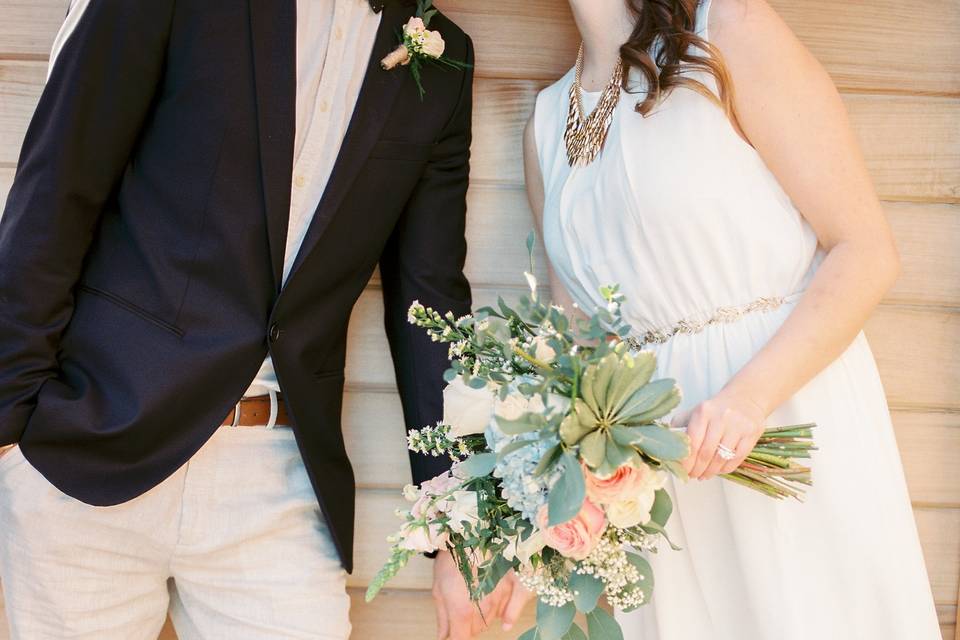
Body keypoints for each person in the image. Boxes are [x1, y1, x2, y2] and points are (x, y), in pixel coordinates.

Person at [0, 0, 523, 637]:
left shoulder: (442, 58)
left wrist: (458, 525)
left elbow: (430, 306)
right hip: (89, 447)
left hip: (277, 476)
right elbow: (57, 188)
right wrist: (9, 430)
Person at [523, 0, 941, 637]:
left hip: (780, 418)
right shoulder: (546, 120)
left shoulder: (730, 30)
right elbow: (578, 341)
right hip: (657, 473)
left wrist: (747, 400)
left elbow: (866, 251)